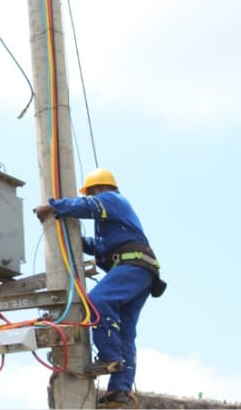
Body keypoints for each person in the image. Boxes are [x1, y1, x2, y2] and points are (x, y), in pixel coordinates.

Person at [33, 168, 165, 407]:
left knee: (97, 301)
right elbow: (101, 246)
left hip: (133, 265)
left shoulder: (113, 200)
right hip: (142, 270)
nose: (92, 195)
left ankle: (109, 358)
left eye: (92, 191)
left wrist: (53, 207)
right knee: (124, 330)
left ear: (100, 188)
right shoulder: (115, 224)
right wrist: (76, 241)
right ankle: (119, 391)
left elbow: (89, 205)